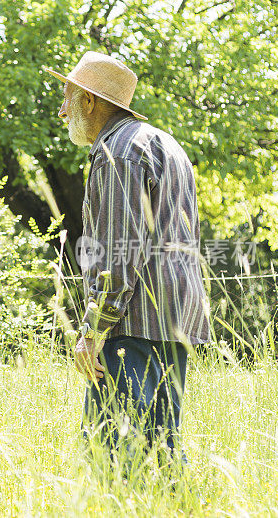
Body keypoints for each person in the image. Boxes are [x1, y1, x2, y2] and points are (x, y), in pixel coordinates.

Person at [43, 51, 211, 469]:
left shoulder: (117, 151)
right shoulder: (164, 142)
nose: (62, 111)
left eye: (68, 98)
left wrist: (93, 330)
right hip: (175, 320)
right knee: (161, 455)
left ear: (90, 102)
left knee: (113, 457)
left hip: (131, 322)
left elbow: (119, 253)